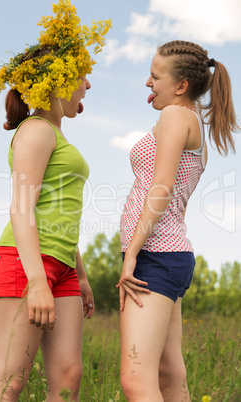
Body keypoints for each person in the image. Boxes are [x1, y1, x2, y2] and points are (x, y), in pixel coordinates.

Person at [0, 1, 111, 401]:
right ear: (62, 80)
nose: (87, 86)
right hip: (25, 266)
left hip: (63, 268)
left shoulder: (58, 135)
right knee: (9, 381)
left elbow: (58, 213)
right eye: (84, 78)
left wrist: (82, 272)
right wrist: (38, 280)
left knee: (68, 375)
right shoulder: (37, 130)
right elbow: (22, 208)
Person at [118, 40, 239, 401]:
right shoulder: (187, 120)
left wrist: (132, 254)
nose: (148, 83)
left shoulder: (176, 116)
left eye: (155, 77)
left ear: (181, 86)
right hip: (169, 254)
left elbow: (162, 189)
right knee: (169, 375)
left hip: (155, 256)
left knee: (136, 380)